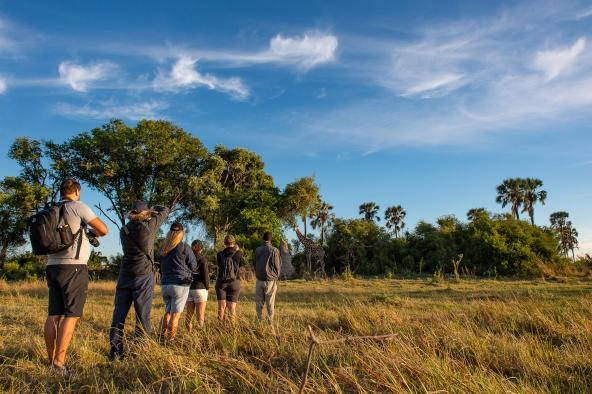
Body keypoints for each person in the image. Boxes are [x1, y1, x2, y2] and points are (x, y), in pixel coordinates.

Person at [44, 178, 108, 374]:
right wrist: (93, 233)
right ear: (77, 192)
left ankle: (51, 360)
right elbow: (104, 229)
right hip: (73, 266)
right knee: (71, 315)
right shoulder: (78, 207)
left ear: (61, 192)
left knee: (53, 314)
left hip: (52, 266)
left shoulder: (51, 209)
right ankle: (59, 364)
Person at [109, 201, 169, 360]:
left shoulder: (124, 229)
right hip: (142, 275)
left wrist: (148, 213)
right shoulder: (149, 227)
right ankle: (141, 349)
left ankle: (115, 351)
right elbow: (165, 209)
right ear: (145, 214)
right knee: (143, 315)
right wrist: (153, 210)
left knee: (119, 314)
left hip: (125, 274)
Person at [159, 222, 197, 341]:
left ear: (170, 233)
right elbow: (193, 265)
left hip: (165, 284)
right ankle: (170, 340)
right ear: (181, 233)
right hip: (180, 284)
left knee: (167, 312)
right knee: (175, 315)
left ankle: (161, 337)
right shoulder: (184, 247)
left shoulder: (163, 248)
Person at [254, 231, 282, 325]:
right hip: (270, 281)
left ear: (263, 239)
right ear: (271, 239)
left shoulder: (257, 250)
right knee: (270, 304)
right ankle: (270, 325)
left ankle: (258, 324)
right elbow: (277, 266)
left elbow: (256, 264)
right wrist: (276, 276)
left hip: (259, 280)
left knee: (259, 305)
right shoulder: (275, 250)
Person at [215, 235, 244, 322]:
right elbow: (241, 265)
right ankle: (232, 328)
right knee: (232, 307)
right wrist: (237, 250)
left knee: (221, 306)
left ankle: (220, 327)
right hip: (234, 282)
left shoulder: (219, 254)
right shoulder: (238, 253)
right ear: (234, 243)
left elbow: (219, 265)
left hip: (221, 282)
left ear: (224, 243)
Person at [185, 240, 210, 331]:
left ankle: (189, 334)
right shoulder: (202, 259)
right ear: (201, 249)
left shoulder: (187, 259)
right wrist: (207, 287)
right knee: (200, 315)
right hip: (200, 288)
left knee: (189, 314)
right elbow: (205, 275)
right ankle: (200, 335)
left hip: (189, 288)